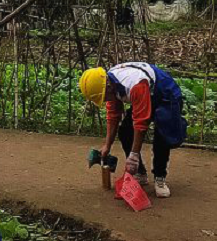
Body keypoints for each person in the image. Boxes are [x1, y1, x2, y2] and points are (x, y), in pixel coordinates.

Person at [79, 62, 187, 198]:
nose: (105, 100)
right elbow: (113, 116)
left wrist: (133, 155)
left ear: (108, 86)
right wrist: (107, 145)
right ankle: (140, 173)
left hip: (165, 95)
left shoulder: (135, 84)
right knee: (125, 131)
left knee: (162, 137)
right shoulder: (111, 84)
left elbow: (141, 123)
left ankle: (160, 177)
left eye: (104, 97)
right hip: (144, 94)